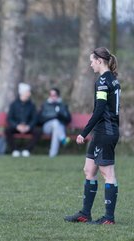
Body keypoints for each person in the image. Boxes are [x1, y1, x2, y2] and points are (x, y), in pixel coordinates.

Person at [64, 47, 120, 225]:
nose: (90, 65)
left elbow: (99, 109)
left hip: (106, 131)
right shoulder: (110, 79)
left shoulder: (104, 81)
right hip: (101, 131)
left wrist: (83, 132)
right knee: (89, 170)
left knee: (108, 174)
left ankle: (108, 218)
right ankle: (85, 214)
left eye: (91, 61)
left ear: (99, 61)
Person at [5, 83, 41, 157]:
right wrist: (17, 126)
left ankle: (27, 150)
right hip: (17, 127)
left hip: (28, 127)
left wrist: (29, 126)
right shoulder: (14, 104)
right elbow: (9, 118)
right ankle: (15, 150)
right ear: (22, 93)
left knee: (38, 132)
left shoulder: (31, 105)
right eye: (28, 92)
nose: (29, 93)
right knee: (7, 130)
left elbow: (34, 118)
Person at [38, 88, 71, 157]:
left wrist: (59, 116)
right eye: (51, 95)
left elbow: (68, 119)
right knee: (55, 122)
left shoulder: (63, 105)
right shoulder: (45, 105)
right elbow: (40, 119)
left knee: (56, 129)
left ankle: (52, 154)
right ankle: (63, 139)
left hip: (59, 127)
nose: (52, 96)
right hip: (47, 127)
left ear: (58, 95)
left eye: (54, 95)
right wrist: (54, 116)